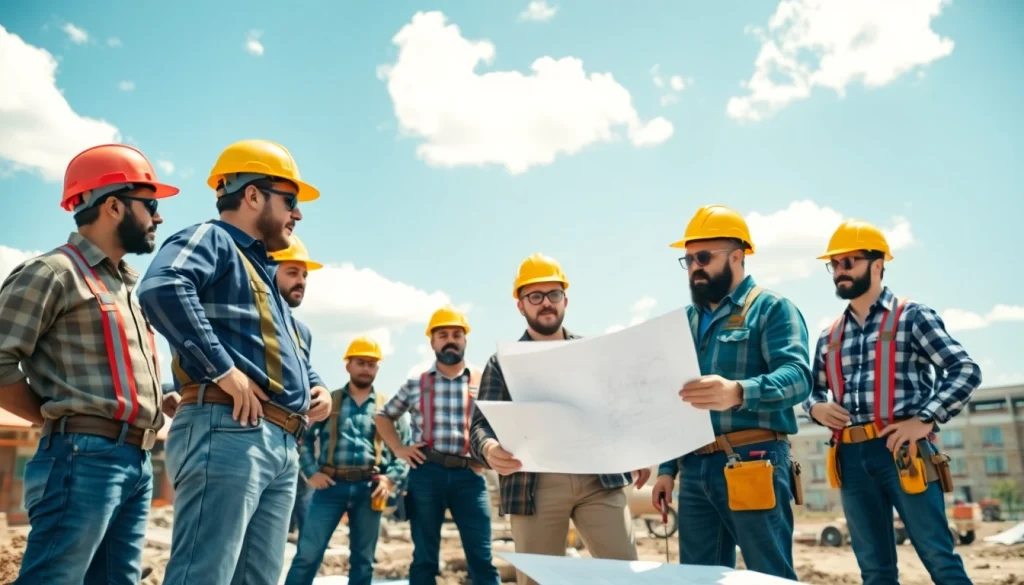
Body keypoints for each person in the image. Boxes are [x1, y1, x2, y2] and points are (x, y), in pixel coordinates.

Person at [137, 139, 332, 585]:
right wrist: (225, 371)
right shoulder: (212, 238)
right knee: (204, 574)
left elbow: (275, 350)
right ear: (252, 195)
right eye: (290, 200)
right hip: (230, 430)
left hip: (279, 442)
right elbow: (161, 287)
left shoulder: (260, 269)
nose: (297, 214)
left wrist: (313, 389)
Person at [0, 144, 178, 585]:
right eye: (150, 204)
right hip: (82, 457)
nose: (158, 217)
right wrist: (55, 414)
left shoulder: (121, 286)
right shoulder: (53, 272)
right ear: (113, 205)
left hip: (134, 461)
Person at [804, 219, 980, 585]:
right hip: (850, 459)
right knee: (874, 570)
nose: (840, 271)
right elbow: (810, 391)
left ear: (878, 263)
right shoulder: (829, 335)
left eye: (849, 261)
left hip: (905, 453)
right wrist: (816, 408)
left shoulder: (912, 317)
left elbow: (965, 370)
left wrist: (926, 419)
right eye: (834, 264)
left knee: (938, 556)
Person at [650, 205, 812, 580]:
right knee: (699, 578)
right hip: (694, 469)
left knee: (767, 575)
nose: (695, 267)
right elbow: (676, 402)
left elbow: (799, 378)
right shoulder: (684, 323)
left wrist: (739, 391)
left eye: (704, 256)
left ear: (738, 256)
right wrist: (667, 470)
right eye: (688, 259)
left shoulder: (771, 309)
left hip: (753, 459)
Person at [469, 253, 650, 585]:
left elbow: (620, 410)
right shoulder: (501, 363)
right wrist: (490, 447)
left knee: (625, 576)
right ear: (520, 305)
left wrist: (635, 449)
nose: (546, 303)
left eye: (553, 294)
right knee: (537, 580)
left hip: (599, 481)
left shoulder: (591, 352)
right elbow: (479, 425)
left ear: (565, 299)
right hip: (534, 487)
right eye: (535, 297)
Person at [375, 305, 501, 585]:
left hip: (470, 475)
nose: (450, 339)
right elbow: (383, 416)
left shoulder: (483, 381)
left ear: (465, 340)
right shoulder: (416, 384)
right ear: (432, 341)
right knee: (424, 558)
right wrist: (399, 449)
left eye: (457, 334)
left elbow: (502, 421)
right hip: (426, 474)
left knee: (481, 557)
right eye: (442, 334)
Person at [284, 335, 411, 585]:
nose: (366, 368)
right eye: (360, 362)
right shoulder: (329, 402)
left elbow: (403, 450)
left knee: (363, 561)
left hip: (370, 490)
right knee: (307, 554)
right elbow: (304, 441)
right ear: (348, 365)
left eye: (371, 363)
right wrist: (311, 473)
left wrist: (390, 479)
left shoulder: (387, 408)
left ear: (377, 367)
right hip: (330, 487)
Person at [267, 233, 327, 541]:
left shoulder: (301, 331)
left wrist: (322, 391)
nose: (301, 281)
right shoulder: (252, 315)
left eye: (304, 275)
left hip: (288, 444)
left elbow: (305, 370)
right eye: (292, 272)